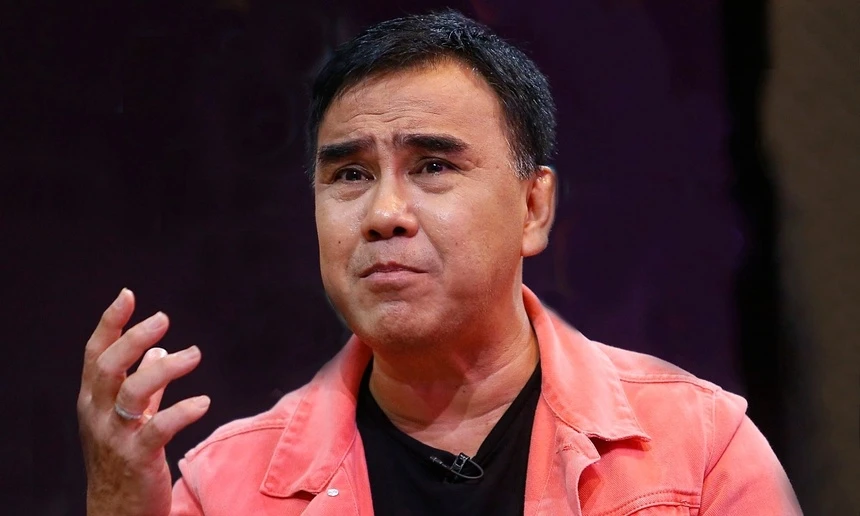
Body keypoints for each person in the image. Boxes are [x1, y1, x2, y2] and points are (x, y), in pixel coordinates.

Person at [77, 10, 801, 516]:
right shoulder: (224, 489)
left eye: (432, 165)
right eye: (350, 175)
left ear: (533, 208)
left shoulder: (699, 448)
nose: (385, 212)